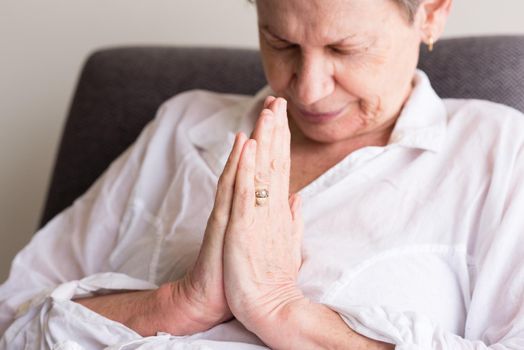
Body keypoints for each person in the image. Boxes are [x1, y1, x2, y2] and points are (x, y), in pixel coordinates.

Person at [1, 0, 524, 348]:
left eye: (346, 49)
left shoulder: (495, 151)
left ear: (431, 13)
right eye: (281, 43)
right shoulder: (183, 126)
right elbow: (12, 321)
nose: (309, 88)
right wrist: (178, 303)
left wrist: (284, 313)